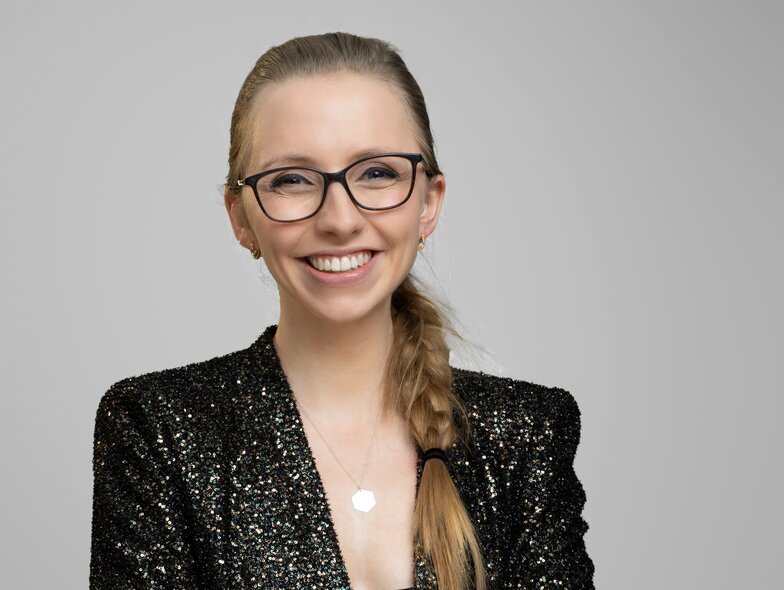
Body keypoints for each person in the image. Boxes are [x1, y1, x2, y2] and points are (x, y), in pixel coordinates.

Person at [89, 32, 594, 590]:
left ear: (429, 203)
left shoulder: (526, 434)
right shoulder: (158, 429)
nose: (339, 219)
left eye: (377, 172)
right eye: (291, 180)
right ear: (240, 218)